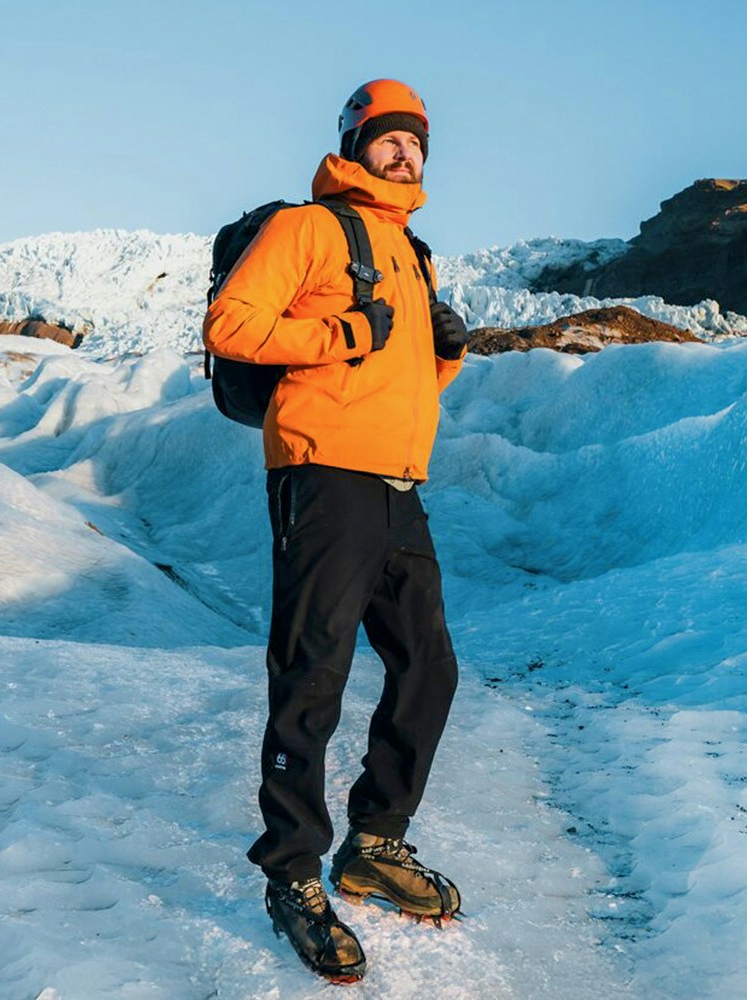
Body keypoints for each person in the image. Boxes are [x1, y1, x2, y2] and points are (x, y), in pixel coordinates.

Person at [202, 78, 471, 983]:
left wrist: (444, 352)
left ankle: (374, 843)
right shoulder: (307, 230)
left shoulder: (413, 250)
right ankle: (290, 875)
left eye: (415, 142)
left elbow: (402, 386)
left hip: (399, 483)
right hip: (323, 477)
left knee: (428, 667)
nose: (404, 153)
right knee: (313, 673)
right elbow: (231, 325)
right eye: (387, 138)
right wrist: (347, 329)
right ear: (354, 143)